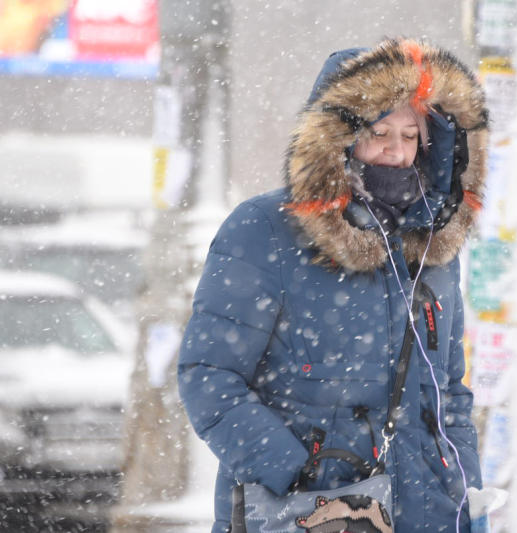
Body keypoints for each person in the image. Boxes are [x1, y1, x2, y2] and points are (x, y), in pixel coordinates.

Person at [178, 38, 490, 533]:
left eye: (411, 135)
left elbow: (448, 392)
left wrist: (466, 496)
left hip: (425, 511)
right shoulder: (264, 230)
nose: (396, 150)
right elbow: (208, 375)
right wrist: (297, 473)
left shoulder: (432, 243)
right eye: (379, 130)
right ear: (337, 140)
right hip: (311, 514)